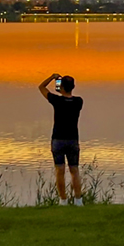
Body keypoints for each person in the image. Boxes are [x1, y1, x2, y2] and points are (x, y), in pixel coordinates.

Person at [38, 73, 84, 205]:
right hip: (72, 140)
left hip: (58, 139)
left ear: (61, 87)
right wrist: (60, 87)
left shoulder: (57, 101)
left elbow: (41, 87)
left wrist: (53, 78)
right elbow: (66, 95)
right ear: (73, 87)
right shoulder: (78, 101)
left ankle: (63, 200)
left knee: (60, 170)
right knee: (74, 170)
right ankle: (78, 200)